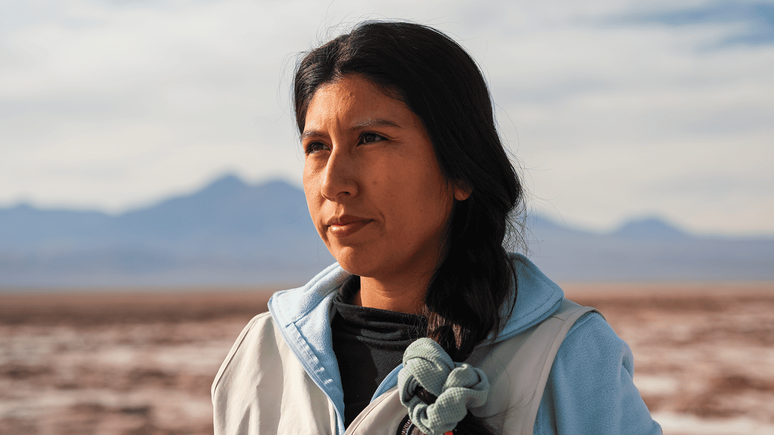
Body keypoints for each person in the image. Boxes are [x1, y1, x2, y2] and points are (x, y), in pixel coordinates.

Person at [212, 21, 662, 435]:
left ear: (461, 170)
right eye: (316, 147)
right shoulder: (265, 353)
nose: (332, 182)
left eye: (370, 138)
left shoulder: (562, 354)